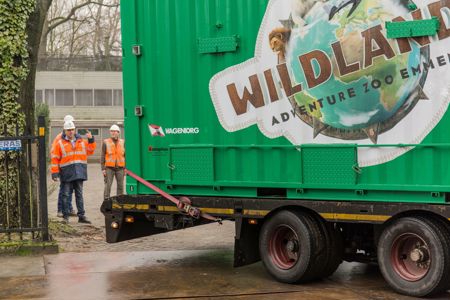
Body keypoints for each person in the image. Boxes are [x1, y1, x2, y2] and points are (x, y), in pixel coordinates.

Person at [51, 120, 96, 224]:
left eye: (72, 129)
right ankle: (66, 217)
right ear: (64, 131)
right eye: (68, 130)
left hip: (79, 172)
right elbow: (55, 159)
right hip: (66, 173)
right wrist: (54, 173)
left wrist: (91, 140)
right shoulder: (59, 144)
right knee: (66, 195)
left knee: (79, 195)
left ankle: (81, 216)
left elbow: (90, 151)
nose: (71, 132)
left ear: (75, 130)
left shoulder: (82, 142)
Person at [51, 115, 75, 218]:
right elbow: (54, 154)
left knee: (70, 189)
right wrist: (55, 170)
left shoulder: (73, 137)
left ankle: (68, 208)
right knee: (64, 189)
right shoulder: (59, 138)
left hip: (71, 167)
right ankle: (60, 209)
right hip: (63, 167)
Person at [101, 124, 125, 199]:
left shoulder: (123, 142)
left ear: (118, 132)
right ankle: (106, 200)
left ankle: (119, 201)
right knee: (108, 186)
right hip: (109, 168)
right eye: (111, 131)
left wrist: (126, 168)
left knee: (120, 186)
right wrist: (103, 168)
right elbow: (102, 155)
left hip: (120, 168)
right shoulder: (105, 142)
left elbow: (125, 155)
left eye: (115, 131)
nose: (113, 133)